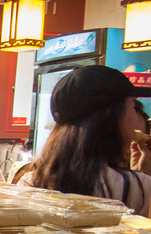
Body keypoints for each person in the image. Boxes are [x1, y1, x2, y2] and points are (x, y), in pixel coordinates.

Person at [17, 65, 151, 215]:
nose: (137, 116)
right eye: (133, 106)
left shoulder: (32, 179)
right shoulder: (135, 188)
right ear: (110, 116)